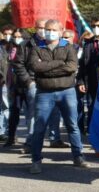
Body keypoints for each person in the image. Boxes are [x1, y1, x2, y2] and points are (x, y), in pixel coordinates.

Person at [26, 19, 88, 174]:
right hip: (44, 93)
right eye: (48, 29)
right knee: (39, 127)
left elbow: (72, 67)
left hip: (67, 91)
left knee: (72, 125)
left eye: (54, 29)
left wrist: (47, 68)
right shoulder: (36, 48)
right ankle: (36, 161)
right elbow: (35, 66)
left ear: (61, 31)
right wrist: (60, 63)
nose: (50, 32)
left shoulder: (68, 47)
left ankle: (78, 156)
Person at [13, 19, 65, 153]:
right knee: (33, 114)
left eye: (47, 28)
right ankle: (30, 143)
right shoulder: (26, 44)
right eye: (41, 28)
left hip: (53, 82)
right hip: (34, 83)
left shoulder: (56, 43)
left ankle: (55, 139)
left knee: (55, 111)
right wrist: (29, 82)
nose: (45, 31)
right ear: (35, 28)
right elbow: (18, 64)